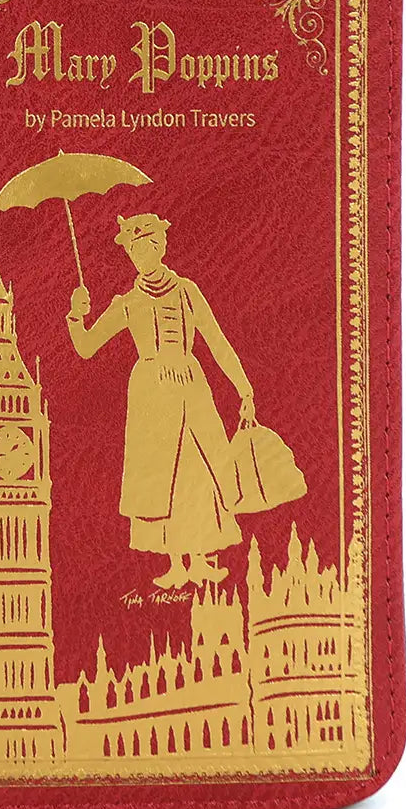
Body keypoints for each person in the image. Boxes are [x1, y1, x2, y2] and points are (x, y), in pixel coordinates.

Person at [66, 214, 255, 589]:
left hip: (191, 388)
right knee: (160, 475)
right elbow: (86, 347)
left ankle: (200, 558)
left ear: (161, 247)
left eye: (147, 247)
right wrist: (76, 313)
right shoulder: (127, 303)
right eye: (133, 251)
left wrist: (244, 389)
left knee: (199, 468)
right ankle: (175, 563)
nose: (140, 256)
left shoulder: (187, 292)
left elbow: (217, 342)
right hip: (151, 394)